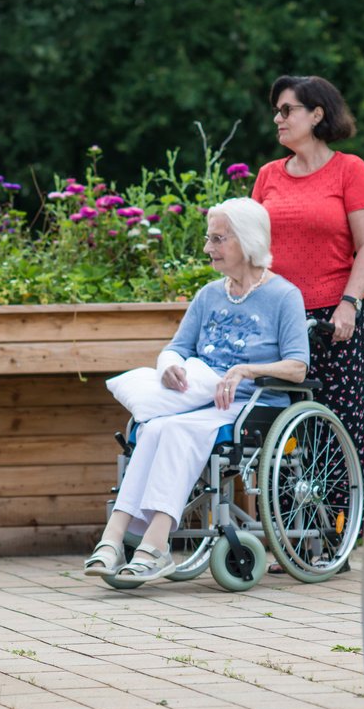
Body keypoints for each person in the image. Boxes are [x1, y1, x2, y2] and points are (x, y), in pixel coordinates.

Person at [83, 198, 310, 582]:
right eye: (209, 239)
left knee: (173, 429)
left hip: (253, 405)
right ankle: (113, 537)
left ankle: (154, 546)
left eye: (218, 239)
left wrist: (245, 370)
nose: (209, 248)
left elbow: (298, 367)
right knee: (154, 428)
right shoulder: (209, 294)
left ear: (247, 241)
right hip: (200, 401)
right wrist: (169, 366)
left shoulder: (284, 296)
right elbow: (176, 347)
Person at [251, 76, 364, 471]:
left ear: (317, 114)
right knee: (280, 435)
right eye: (276, 111)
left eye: (287, 110)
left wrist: (349, 303)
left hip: (332, 320)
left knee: (338, 424)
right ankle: (285, 531)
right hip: (277, 319)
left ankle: (343, 528)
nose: (278, 118)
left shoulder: (349, 170)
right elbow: (251, 248)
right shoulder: (268, 175)